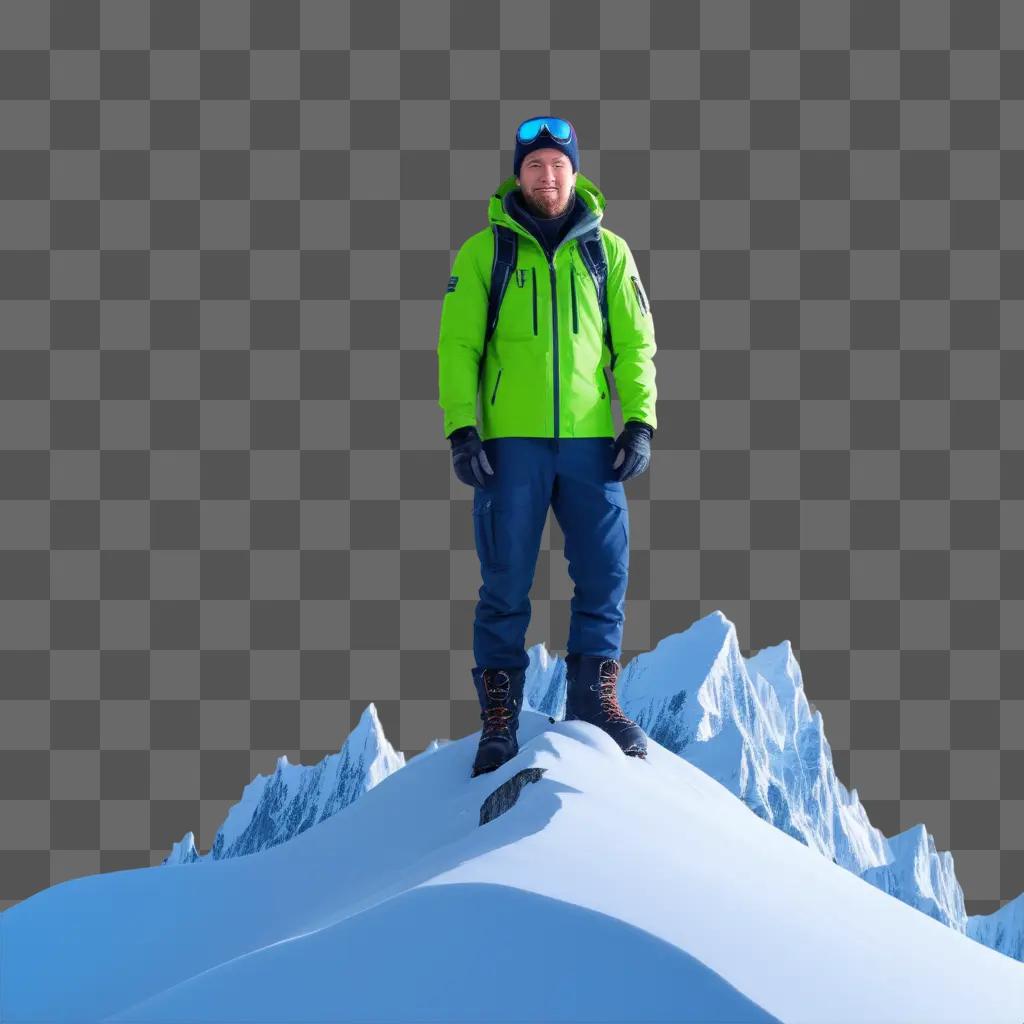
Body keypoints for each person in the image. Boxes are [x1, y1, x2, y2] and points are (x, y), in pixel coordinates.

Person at [437, 116, 657, 778]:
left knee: (605, 571)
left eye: (558, 163)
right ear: (518, 173)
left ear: (575, 171)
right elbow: (459, 345)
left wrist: (640, 420)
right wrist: (461, 427)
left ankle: (592, 700)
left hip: (591, 441)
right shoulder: (485, 252)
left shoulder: (608, 252)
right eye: (535, 164)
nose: (547, 174)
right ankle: (499, 718)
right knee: (505, 578)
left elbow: (636, 340)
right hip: (512, 446)